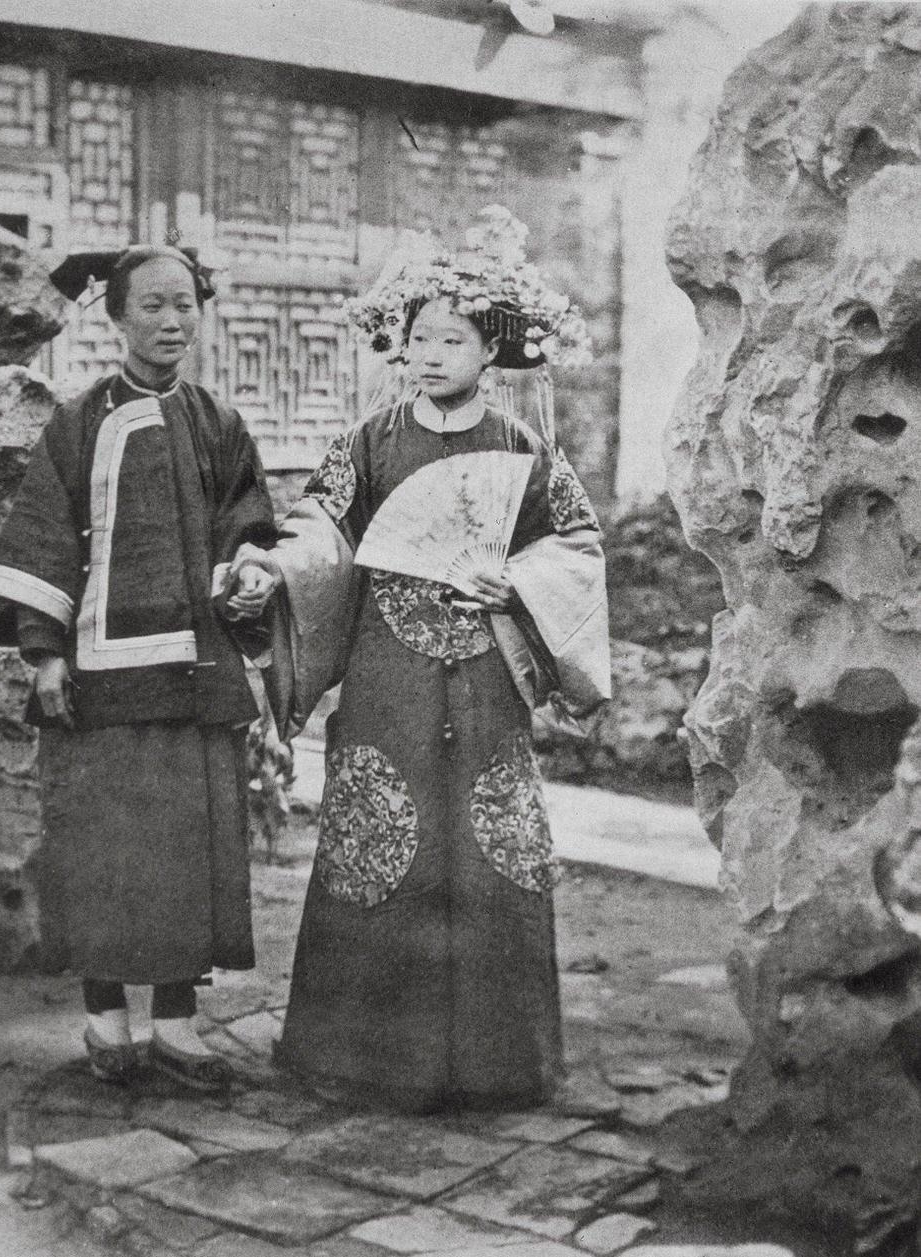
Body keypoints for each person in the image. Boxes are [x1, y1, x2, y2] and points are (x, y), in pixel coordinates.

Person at [230, 210, 610, 1111]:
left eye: (454, 337)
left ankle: (499, 1064)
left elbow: (578, 544)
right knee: (380, 839)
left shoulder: (522, 448)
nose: (431, 353)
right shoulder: (367, 444)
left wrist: (514, 583)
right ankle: (363, 1058)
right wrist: (273, 568)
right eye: (419, 337)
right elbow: (321, 532)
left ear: (492, 352)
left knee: (490, 846)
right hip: (387, 672)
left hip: (485, 678)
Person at [0, 244, 278, 1091]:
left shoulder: (219, 421)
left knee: (186, 843)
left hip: (194, 666)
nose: (173, 322)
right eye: (152, 308)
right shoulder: (79, 421)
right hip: (99, 672)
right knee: (103, 841)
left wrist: (250, 578)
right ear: (115, 317)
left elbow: (249, 528)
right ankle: (105, 1013)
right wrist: (45, 652)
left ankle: (175, 1019)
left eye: (186, 306)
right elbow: (44, 536)